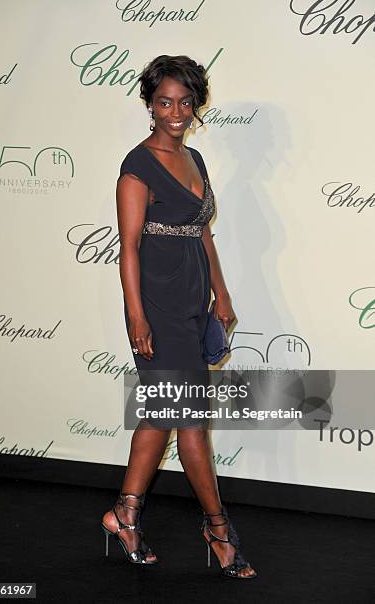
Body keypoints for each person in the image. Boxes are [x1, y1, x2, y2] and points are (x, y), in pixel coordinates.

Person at [101, 55, 257, 579]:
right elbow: (128, 250)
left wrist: (222, 292)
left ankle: (124, 514)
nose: (176, 111)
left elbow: (203, 232)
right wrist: (136, 319)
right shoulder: (136, 166)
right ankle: (218, 529)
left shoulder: (195, 159)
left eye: (185, 102)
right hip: (157, 305)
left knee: (161, 414)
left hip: (194, 299)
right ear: (149, 104)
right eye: (165, 101)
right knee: (190, 419)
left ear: (196, 105)